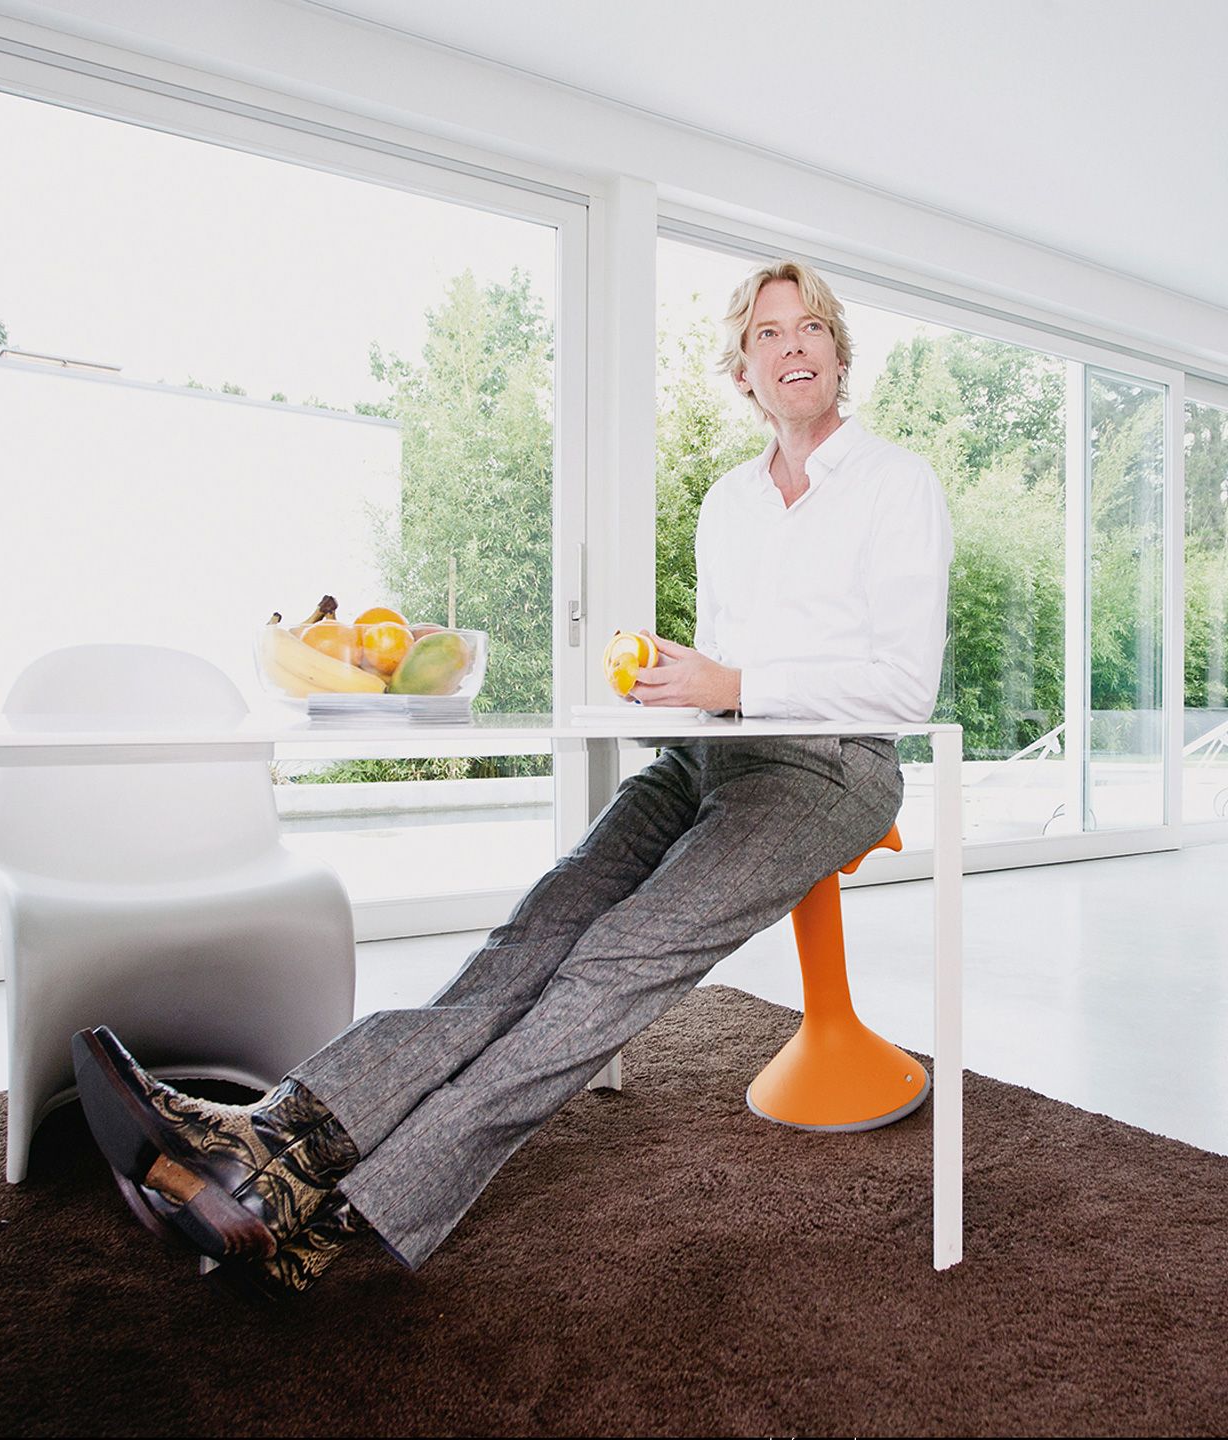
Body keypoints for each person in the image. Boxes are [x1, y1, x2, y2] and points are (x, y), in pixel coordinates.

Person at [72, 259, 955, 1299]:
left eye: (811, 327)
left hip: (834, 766)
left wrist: (738, 680)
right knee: (538, 929)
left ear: (839, 354)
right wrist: (688, 688)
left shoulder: (899, 486)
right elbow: (726, 668)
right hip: (714, 751)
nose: (793, 345)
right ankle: (281, 1136)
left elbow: (904, 683)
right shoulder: (729, 504)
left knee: (621, 952)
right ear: (741, 372)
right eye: (768, 334)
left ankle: (330, 1206)